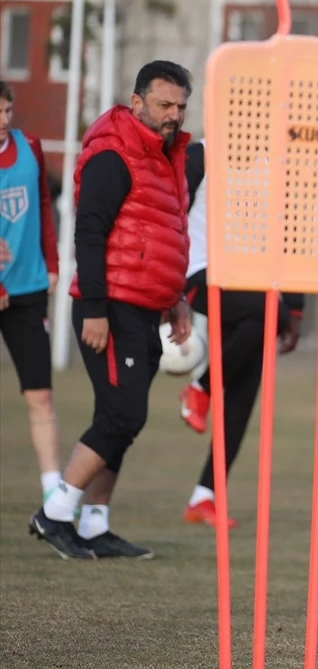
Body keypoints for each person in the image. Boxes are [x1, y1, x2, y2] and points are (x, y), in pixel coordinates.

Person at [28, 60, 194, 560]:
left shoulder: (167, 158)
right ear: (137, 102)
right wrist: (95, 307)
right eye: (165, 104)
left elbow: (161, 236)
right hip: (110, 308)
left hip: (145, 308)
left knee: (119, 417)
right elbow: (90, 232)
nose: (174, 115)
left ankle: (96, 524)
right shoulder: (113, 155)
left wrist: (176, 298)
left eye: (181, 106)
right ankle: (55, 513)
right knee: (123, 415)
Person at [177, 139, 306, 527]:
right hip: (200, 274)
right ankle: (201, 386)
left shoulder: (276, 166)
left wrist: (295, 309)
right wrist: (165, 289)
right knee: (270, 311)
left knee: (244, 394)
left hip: (250, 285)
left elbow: (289, 236)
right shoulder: (199, 155)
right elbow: (170, 216)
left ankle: (205, 496)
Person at [0, 80, 63, 502]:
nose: (4, 121)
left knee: (40, 394)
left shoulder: (31, 147)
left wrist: (52, 263)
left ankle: (53, 495)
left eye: (7, 111)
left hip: (27, 289)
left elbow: (42, 203)